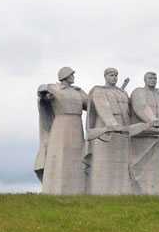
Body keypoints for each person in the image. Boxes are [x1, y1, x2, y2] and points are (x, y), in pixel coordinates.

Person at [34, 67, 88, 195]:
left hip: (76, 124)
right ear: (65, 76)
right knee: (59, 155)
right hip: (61, 125)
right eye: (71, 74)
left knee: (76, 156)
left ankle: (77, 189)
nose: (73, 77)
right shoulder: (54, 88)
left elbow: (90, 105)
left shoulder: (78, 91)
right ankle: (55, 188)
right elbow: (41, 90)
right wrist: (46, 94)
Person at [85, 68, 133, 195]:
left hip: (123, 129)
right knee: (103, 164)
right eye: (111, 75)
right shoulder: (99, 90)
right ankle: (99, 192)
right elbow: (103, 108)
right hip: (105, 130)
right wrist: (112, 124)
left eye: (116, 75)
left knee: (121, 165)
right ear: (105, 76)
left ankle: (122, 193)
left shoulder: (122, 93)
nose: (114, 77)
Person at [129, 71, 159, 195]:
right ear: (145, 79)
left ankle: (155, 195)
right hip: (142, 135)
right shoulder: (138, 92)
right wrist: (153, 121)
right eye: (150, 78)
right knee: (139, 168)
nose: (153, 80)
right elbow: (141, 107)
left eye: (155, 78)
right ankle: (137, 194)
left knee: (156, 171)